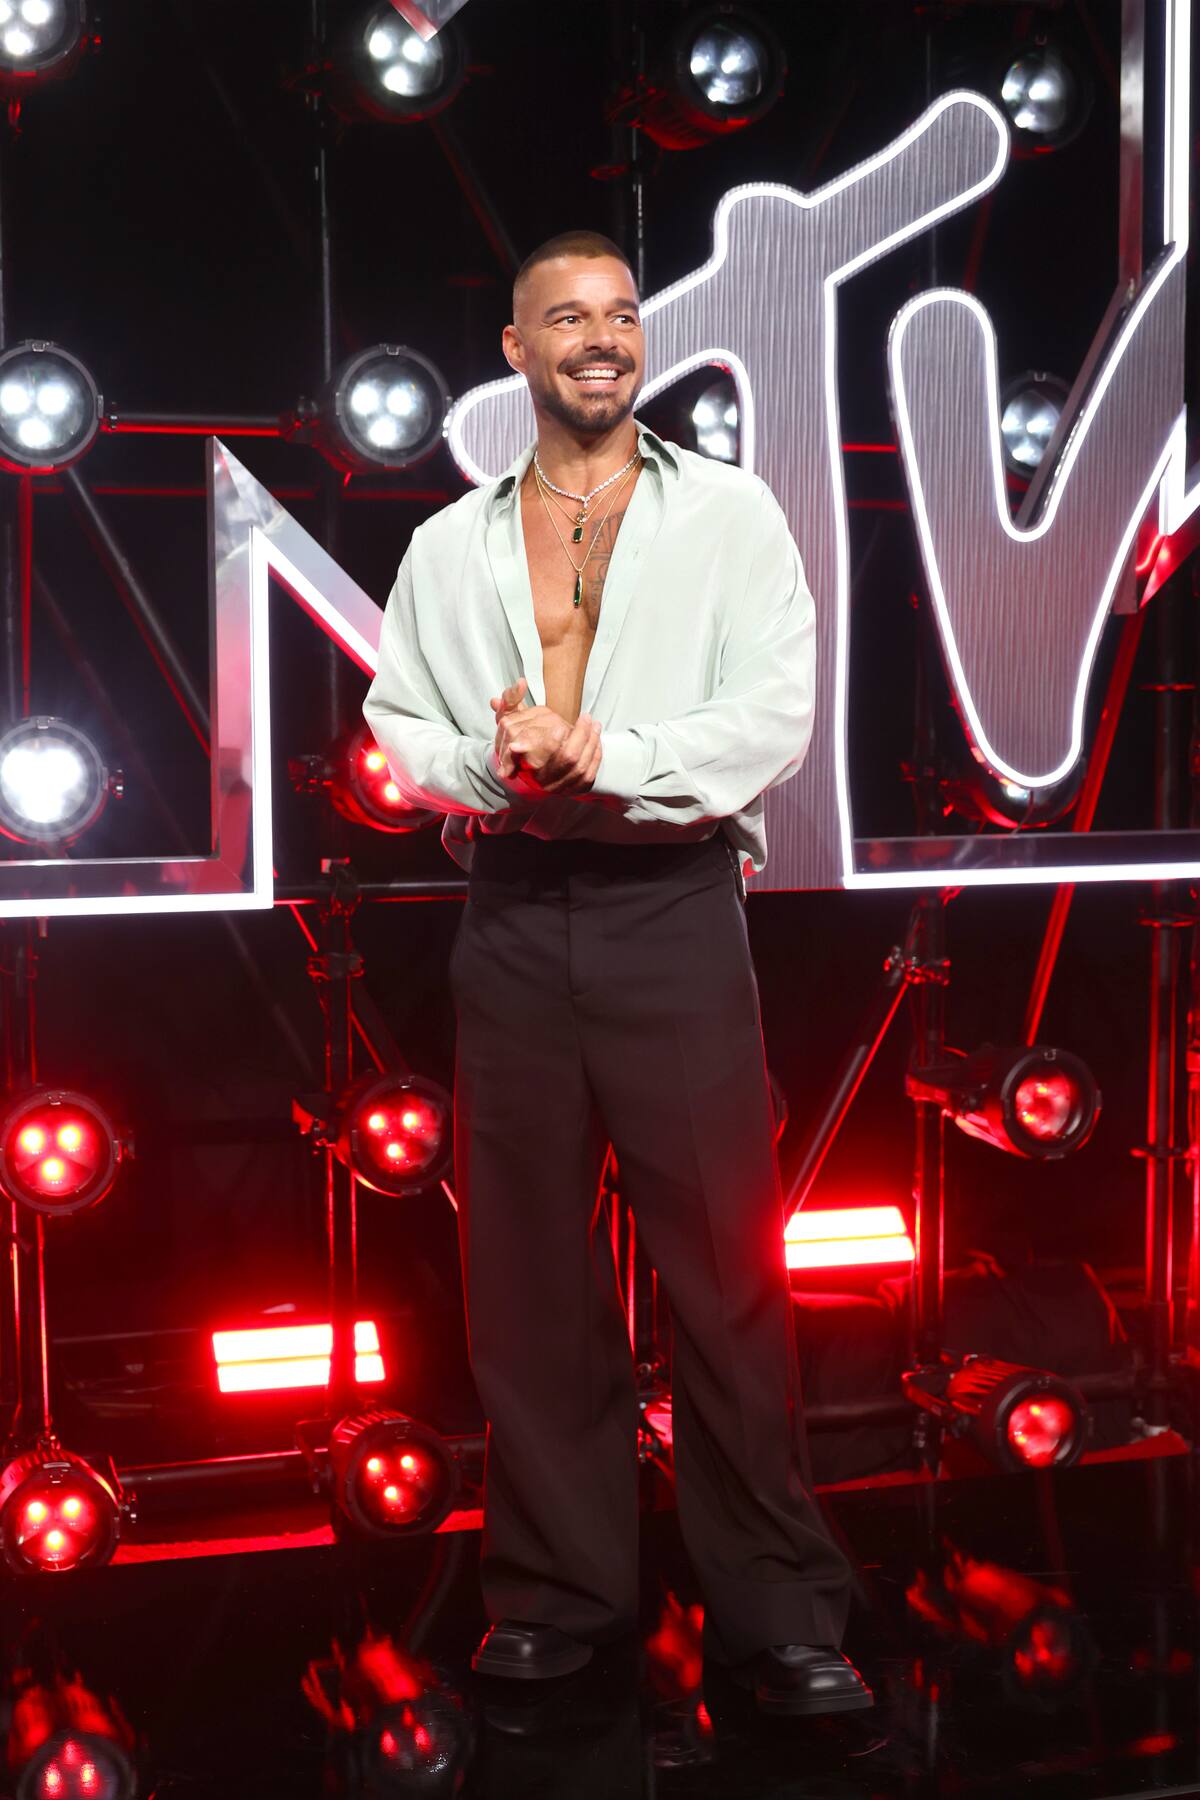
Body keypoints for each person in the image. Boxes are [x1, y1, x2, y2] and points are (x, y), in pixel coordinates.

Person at [362, 230, 872, 1718]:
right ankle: (558, 1596)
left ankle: (781, 1610)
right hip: (516, 914)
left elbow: (772, 714)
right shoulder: (450, 544)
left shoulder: (730, 514)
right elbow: (402, 723)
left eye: (623, 315)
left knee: (727, 1277)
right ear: (516, 350)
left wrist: (609, 756)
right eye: (569, 317)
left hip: (673, 906)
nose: (603, 338)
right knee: (528, 1280)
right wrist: (503, 768)